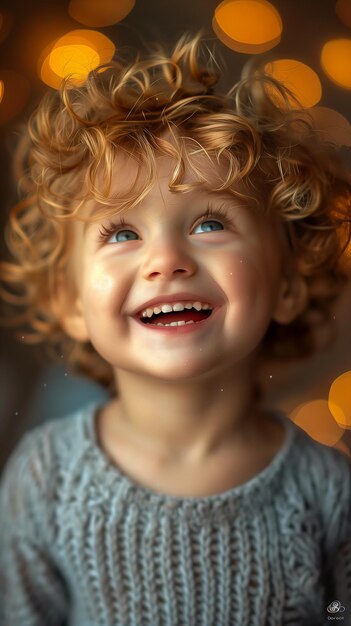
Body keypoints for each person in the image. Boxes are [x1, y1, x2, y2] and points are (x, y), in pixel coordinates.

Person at [0, 33, 350, 626]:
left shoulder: (327, 492)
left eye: (211, 222)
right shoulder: (45, 478)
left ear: (288, 283)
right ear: (71, 301)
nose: (166, 260)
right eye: (122, 233)